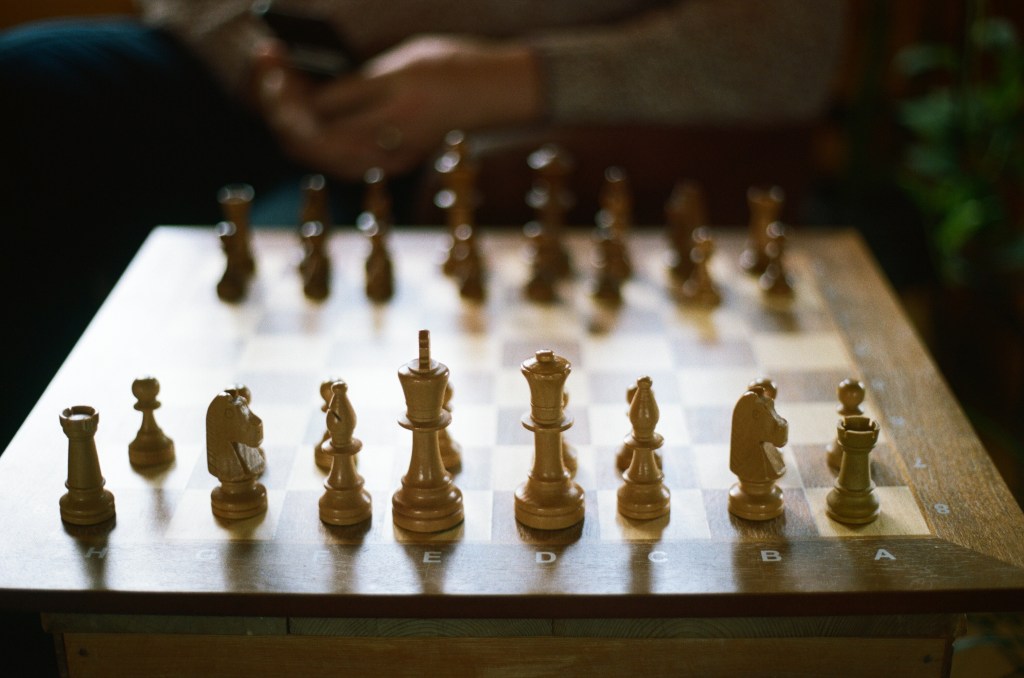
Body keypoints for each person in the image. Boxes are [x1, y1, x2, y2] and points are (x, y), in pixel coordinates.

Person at [0, 0, 845, 448]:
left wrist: (504, 80)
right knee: (26, 88)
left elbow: (792, 40)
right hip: (247, 72)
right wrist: (261, 70)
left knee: (303, 299)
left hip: (492, 120)